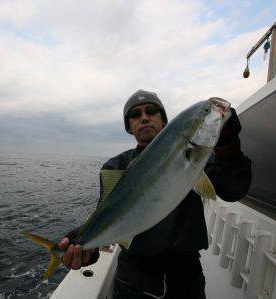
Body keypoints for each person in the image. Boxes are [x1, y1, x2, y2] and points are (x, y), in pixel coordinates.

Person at [58, 89, 252, 298]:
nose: (144, 118)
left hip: (186, 280)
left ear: (164, 120)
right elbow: (108, 217)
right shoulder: (117, 167)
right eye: (135, 115)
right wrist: (85, 245)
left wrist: (229, 148)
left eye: (151, 111)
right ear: (129, 127)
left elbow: (234, 190)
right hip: (133, 282)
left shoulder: (200, 159)